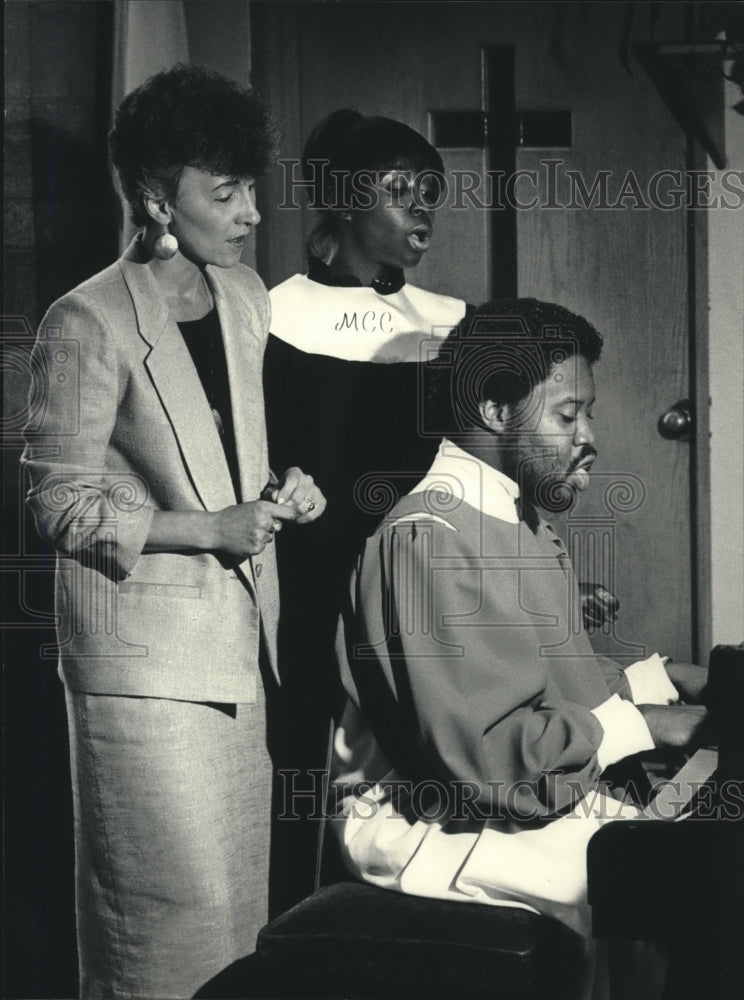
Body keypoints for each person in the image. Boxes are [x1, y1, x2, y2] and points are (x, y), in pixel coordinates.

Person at [20, 65, 325, 999]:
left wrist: (286, 489)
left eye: (250, 190)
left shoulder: (245, 300)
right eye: (224, 193)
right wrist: (210, 529)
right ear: (157, 197)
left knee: (237, 927)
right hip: (143, 674)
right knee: (160, 934)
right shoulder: (83, 321)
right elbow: (56, 499)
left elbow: (225, 455)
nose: (250, 215)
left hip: (239, 653)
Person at [330, 298, 709, 998]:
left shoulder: (513, 515)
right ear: (496, 409)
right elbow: (494, 760)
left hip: (506, 798)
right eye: (568, 415)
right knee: (682, 882)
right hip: (433, 824)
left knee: (680, 847)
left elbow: (542, 678)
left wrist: (663, 681)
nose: (589, 435)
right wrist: (646, 722)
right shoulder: (429, 538)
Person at [262, 109, 467, 908]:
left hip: (418, 587)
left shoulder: (449, 324)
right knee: (305, 778)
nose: (422, 209)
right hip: (308, 585)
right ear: (343, 201)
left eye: (430, 193)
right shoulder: (268, 316)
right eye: (399, 191)